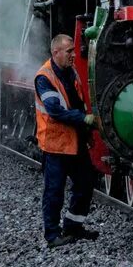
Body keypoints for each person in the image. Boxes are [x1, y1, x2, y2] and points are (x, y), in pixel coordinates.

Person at [34, 34, 99, 248]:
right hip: (55, 144)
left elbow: (78, 103)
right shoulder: (44, 77)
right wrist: (84, 119)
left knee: (86, 182)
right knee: (54, 190)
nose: (73, 54)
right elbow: (55, 111)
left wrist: (86, 133)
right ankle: (52, 236)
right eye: (69, 51)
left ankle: (73, 226)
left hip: (74, 141)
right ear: (56, 53)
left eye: (73, 50)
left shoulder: (71, 73)